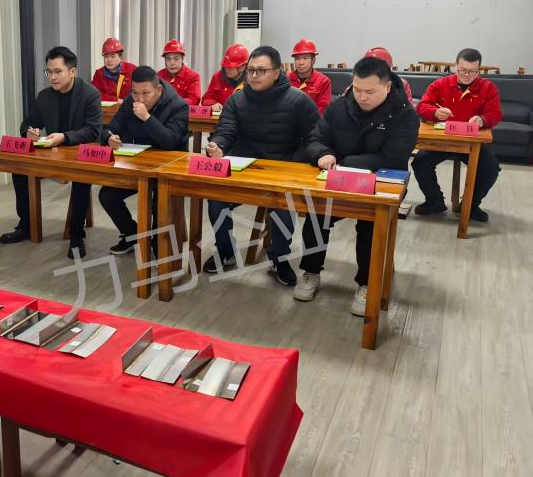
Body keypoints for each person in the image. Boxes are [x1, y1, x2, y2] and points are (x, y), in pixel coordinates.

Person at [294, 56, 420, 315]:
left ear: (387, 87)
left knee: (371, 224)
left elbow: (394, 158)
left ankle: (367, 283)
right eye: (358, 89)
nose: (362, 97)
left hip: (381, 182)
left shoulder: (405, 114)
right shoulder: (339, 106)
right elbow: (315, 138)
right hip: (338, 180)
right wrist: (322, 154)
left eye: (370, 92)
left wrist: (344, 162)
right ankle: (311, 271)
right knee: (317, 214)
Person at [204, 46, 319, 286]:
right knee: (215, 198)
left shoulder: (298, 101)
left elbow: (313, 139)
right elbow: (226, 130)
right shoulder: (237, 98)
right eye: (250, 70)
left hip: (282, 168)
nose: (254, 76)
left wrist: (292, 163)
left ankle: (279, 258)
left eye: (261, 71)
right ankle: (225, 250)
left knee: (286, 206)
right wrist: (217, 146)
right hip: (244, 167)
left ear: (277, 72)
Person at [0, 46, 101, 259]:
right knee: (19, 170)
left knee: (81, 178)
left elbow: (93, 130)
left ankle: (76, 234)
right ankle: (26, 225)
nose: (52, 77)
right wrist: (30, 132)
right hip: (51, 152)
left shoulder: (90, 94)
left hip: (77, 153)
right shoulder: (44, 96)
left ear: (72, 71)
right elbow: (29, 122)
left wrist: (64, 137)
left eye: (57, 71)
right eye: (49, 72)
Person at [98, 66, 189, 254]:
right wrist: (109, 138)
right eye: (135, 93)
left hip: (168, 170)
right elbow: (110, 128)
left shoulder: (178, 106)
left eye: (146, 93)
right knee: (107, 196)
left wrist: (147, 118)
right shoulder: (130, 102)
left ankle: (158, 243)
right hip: (139, 166)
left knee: (159, 202)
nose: (139, 99)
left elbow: (170, 142)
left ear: (159, 90)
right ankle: (132, 235)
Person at [412, 48, 502, 222]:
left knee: (490, 168)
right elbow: (422, 106)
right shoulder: (441, 84)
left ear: (479, 70)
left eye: (472, 71)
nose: (467, 75)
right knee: (420, 162)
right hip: (442, 140)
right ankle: (434, 201)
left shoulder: (488, 88)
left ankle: (470, 205)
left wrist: (483, 119)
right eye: (462, 70)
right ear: (455, 66)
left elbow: (496, 114)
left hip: (470, 142)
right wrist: (434, 112)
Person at [287, 38, 332, 114]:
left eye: (305, 58)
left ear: (313, 60)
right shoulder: (286, 79)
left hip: (313, 120)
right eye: (297, 58)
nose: (301, 62)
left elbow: (323, 109)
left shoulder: (323, 81)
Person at [200, 44, 249, 111]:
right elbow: (206, 99)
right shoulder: (218, 76)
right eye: (225, 66)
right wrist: (213, 104)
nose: (226, 70)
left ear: (242, 67)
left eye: (230, 67)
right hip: (221, 116)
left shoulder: (251, 81)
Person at [90, 38, 137, 102]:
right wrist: (117, 100)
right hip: (107, 108)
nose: (109, 60)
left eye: (113, 56)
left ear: (121, 58)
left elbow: (139, 91)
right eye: (106, 56)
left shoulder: (132, 69)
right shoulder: (99, 73)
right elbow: (94, 95)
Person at [157, 39, 202, 105]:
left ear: (182, 59)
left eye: (176, 59)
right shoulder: (158, 76)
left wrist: (174, 104)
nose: (172, 63)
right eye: (168, 59)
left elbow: (194, 99)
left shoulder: (193, 76)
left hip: (183, 110)